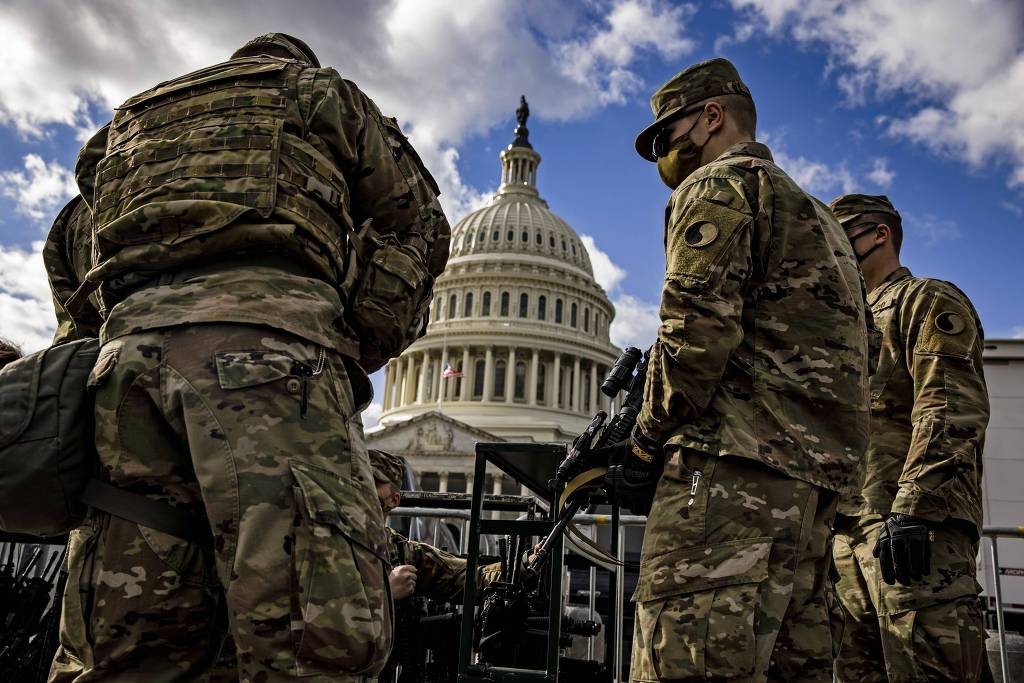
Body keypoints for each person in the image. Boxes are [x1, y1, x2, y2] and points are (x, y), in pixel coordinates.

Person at [48, 32, 450, 683]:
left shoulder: (127, 122)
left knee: (129, 632)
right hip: (269, 355)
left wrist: (98, 340)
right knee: (310, 635)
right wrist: (359, 338)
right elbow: (420, 224)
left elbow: (73, 242)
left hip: (123, 370)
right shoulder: (320, 94)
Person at [615, 57, 870, 682]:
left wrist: (645, 440)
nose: (663, 162)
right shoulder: (821, 219)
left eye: (666, 139)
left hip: (729, 480)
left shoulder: (719, 187)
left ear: (711, 117)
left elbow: (694, 335)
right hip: (810, 496)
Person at [828, 194, 990, 682]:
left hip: (915, 530)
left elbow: (950, 406)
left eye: (842, 239)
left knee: (929, 665)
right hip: (851, 533)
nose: (833, 253)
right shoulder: (842, 327)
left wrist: (913, 507)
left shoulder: (925, 301)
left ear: (880, 235)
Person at [368, 449, 501, 603]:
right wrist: (384, 593)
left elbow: (473, 578)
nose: (361, 487)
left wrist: (526, 563)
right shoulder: (335, 540)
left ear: (394, 500)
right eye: (356, 479)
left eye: (373, 481)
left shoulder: (403, 552)